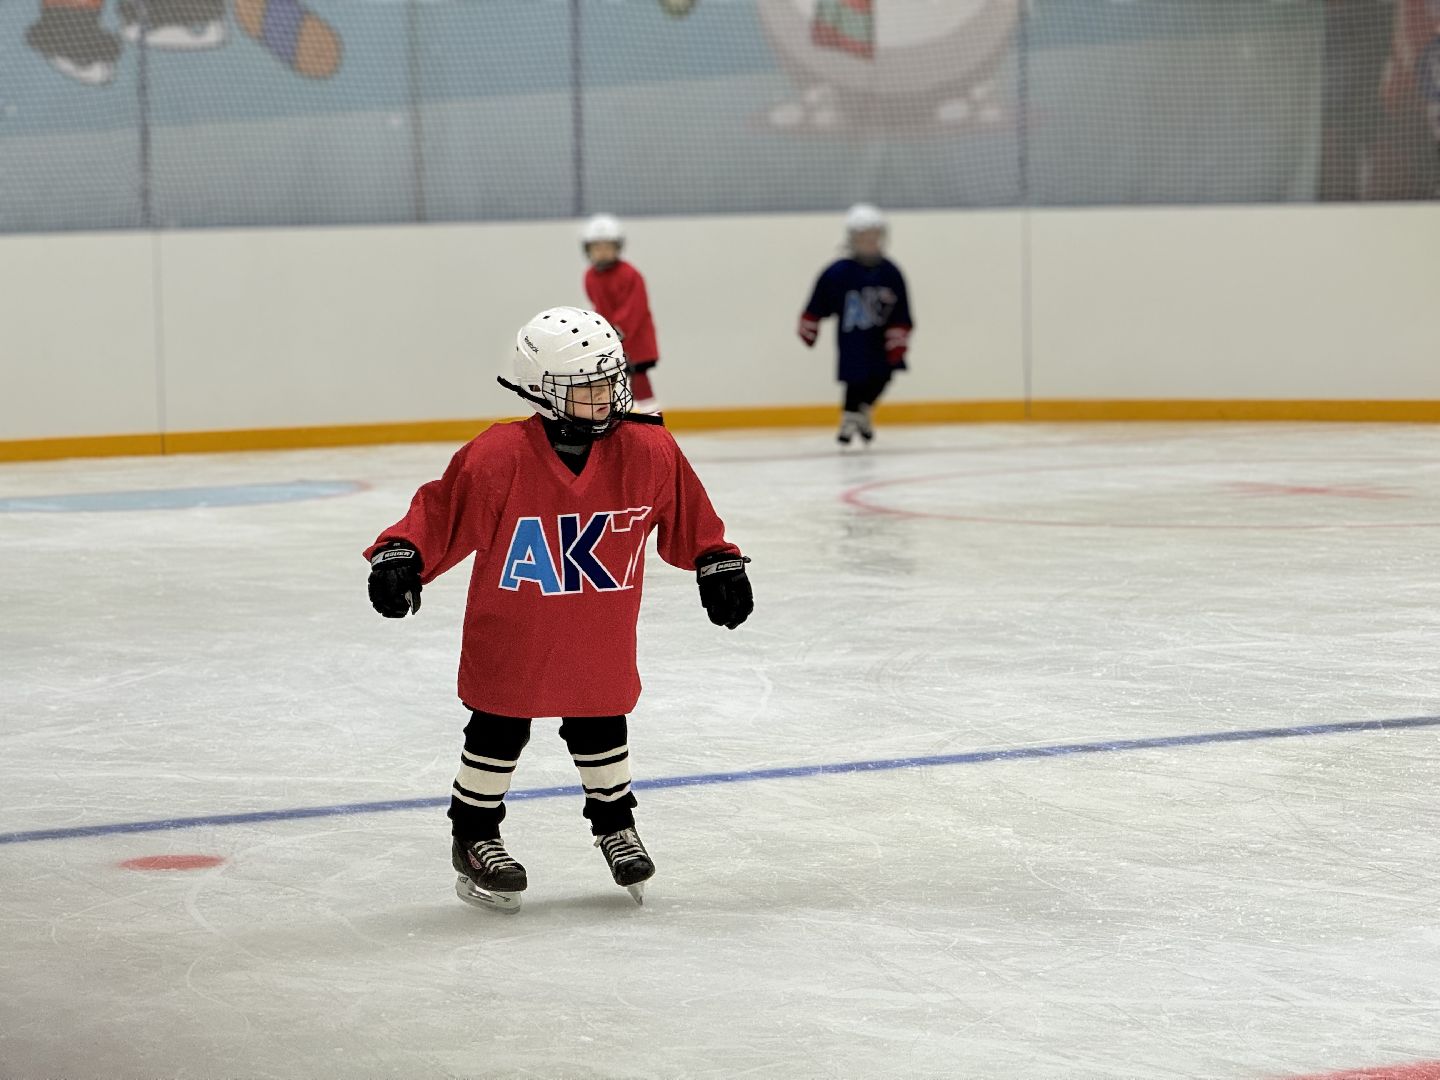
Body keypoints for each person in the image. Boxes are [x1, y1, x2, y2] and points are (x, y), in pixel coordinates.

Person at [364, 306, 752, 913]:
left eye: (610, 379)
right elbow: (441, 512)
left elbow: (690, 514)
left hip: (597, 628)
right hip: (513, 629)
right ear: (542, 391)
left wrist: (716, 561)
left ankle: (615, 824)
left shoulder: (649, 450)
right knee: (498, 729)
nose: (608, 396)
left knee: (601, 719)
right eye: (588, 387)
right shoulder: (499, 456)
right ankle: (475, 834)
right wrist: (402, 554)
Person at [797, 203, 914, 446]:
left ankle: (861, 413)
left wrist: (898, 334)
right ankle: (850, 419)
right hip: (854, 339)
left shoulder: (890, 272)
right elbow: (819, 301)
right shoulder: (838, 273)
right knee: (855, 379)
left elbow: (901, 309)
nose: (871, 242)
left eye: (875, 237)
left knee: (883, 377)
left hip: (880, 340)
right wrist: (811, 322)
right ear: (852, 239)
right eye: (864, 237)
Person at [581, 214, 663, 414]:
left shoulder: (629, 274)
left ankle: (653, 418)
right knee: (614, 382)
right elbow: (598, 306)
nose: (602, 252)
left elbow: (634, 309)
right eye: (597, 247)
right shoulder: (590, 277)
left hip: (636, 341)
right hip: (611, 339)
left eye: (607, 247)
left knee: (638, 378)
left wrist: (617, 331)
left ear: (617, 247)